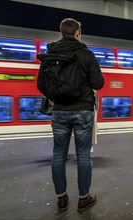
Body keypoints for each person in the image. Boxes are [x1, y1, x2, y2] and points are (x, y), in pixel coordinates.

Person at [37, 18, 105, 212]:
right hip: (83, 110)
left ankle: (62, 198)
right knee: (83, 155)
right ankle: (84, 199)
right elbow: (98, 83)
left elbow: (41, 85)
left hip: (59, 111)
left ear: (61, 33)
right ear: (78, 33)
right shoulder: (86, 54)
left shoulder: (50, 55)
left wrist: (56, 96)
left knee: (58, 155)